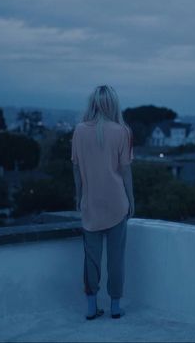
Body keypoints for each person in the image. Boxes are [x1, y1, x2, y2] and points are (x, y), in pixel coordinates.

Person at [71, 85, 135, 321]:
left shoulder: (79, 131)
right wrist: (131, 200)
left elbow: (76, 170)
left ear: (93, 104)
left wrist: (78, 197)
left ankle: (91, 307)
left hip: (91, 205)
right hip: (117, 204)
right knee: (116, 258)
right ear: (112, 104)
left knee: (91, 259)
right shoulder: (122, 131)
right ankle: (115, 307)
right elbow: (125, 172)